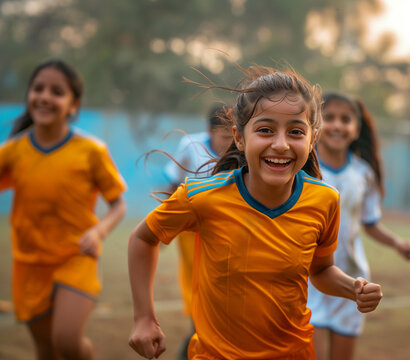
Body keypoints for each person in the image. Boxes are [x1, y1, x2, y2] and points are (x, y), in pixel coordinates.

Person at [128, 67, 383, 360]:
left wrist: (354, 287)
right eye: (265, 130)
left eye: (296, 132)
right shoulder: (202, 197)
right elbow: (143, 239)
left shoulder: (325, 200)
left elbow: (321, 270)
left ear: (312, 140)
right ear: (239, 137)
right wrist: (144, 318)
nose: (281, 144)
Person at [0, 59, 127, 360]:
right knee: (45, 350)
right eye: (38, 88)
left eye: (57, 91)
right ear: (29, 96)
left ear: (73, 105)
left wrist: (98, 231)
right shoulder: (13, 151)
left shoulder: (91, 151)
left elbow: (118, 205)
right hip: (29, 263)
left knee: (67, 343)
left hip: (76, 257)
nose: (44, 96)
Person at [307, 92, 410, 360]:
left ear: (356, 130)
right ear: (316, 125)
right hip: (311, 278)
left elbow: (370, 223)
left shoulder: (363, 174)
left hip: (352, 281)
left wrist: (397, 242)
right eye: (329, 117)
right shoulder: (303, 168)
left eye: (345, 119)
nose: (337, 125)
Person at [162, 104, 233, 359]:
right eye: (225, 136)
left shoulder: (243, 149)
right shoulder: (191, 146)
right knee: (200, 295)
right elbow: (172, 184)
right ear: (210, 131)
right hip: (192, 232)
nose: (229, 142)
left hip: (227, 231)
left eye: (234, 136)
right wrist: (164, 227)